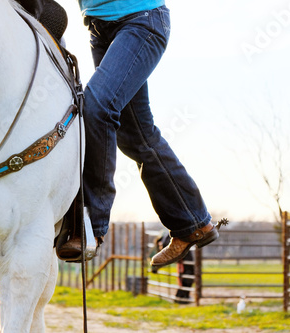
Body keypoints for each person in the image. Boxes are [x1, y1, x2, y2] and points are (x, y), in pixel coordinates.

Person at [24, 0, 218, 270]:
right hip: (99, 29)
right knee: (137, 136)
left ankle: (91, 225)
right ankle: (193, 223)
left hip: (141, 20)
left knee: (96, 107)